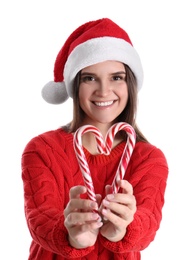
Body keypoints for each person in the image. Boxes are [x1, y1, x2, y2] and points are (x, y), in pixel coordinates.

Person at [21, 18, 169, 260]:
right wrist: (71, 236)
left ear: (129, 83)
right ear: (75, 85)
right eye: (90, 78)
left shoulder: (149, 158)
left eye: (116, 77)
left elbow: (148, 224)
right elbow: (38, 218)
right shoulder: (42, 150)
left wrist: (121, 230)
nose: (103, 90)